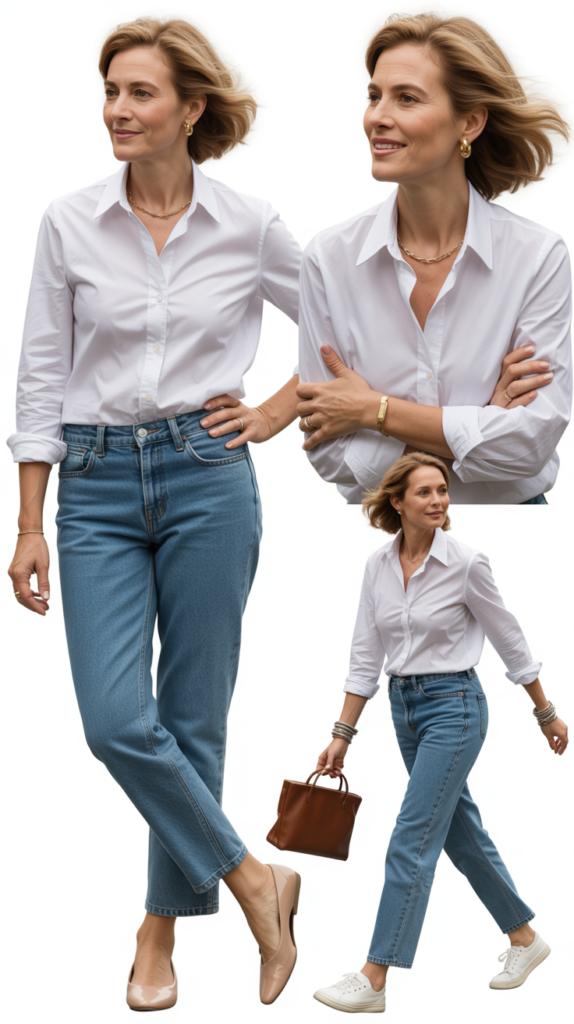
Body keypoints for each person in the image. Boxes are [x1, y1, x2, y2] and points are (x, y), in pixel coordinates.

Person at [7, 17, 302, 1010]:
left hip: (206, 476)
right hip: (89, 487)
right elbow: (42, 370)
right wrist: (29, 520)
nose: (118, 110)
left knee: (191, 719)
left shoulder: (251, 224)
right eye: (111, 91)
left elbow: (346, 329)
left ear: (191, 108)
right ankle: (256, 878)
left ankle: (157, 932)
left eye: (139, 93)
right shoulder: (68, 220)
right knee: (117, 721)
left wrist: (272, 410)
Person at [312, 452, 568, 1013]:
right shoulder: (377, 566)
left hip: (456, 707)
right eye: (424, 492)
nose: (438, 501)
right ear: (396, 501)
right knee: (456, 831)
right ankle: (524, 938)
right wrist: (342, 733)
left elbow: (509, 637)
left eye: (443, 490)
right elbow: (364, 655)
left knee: (412, 836)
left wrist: (544, 711)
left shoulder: (467, 562)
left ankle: (375, 977)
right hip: (404, 710)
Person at [297, 13, 571, 505]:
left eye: (406, 97)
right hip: (381, 524)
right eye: (374, 95)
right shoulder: (328, 258)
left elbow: (528, 445)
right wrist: (477, 424)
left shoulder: (538, 258)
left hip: (511, 524)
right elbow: (327, 452)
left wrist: (371, 411)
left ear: (470, 121)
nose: (377, 116)